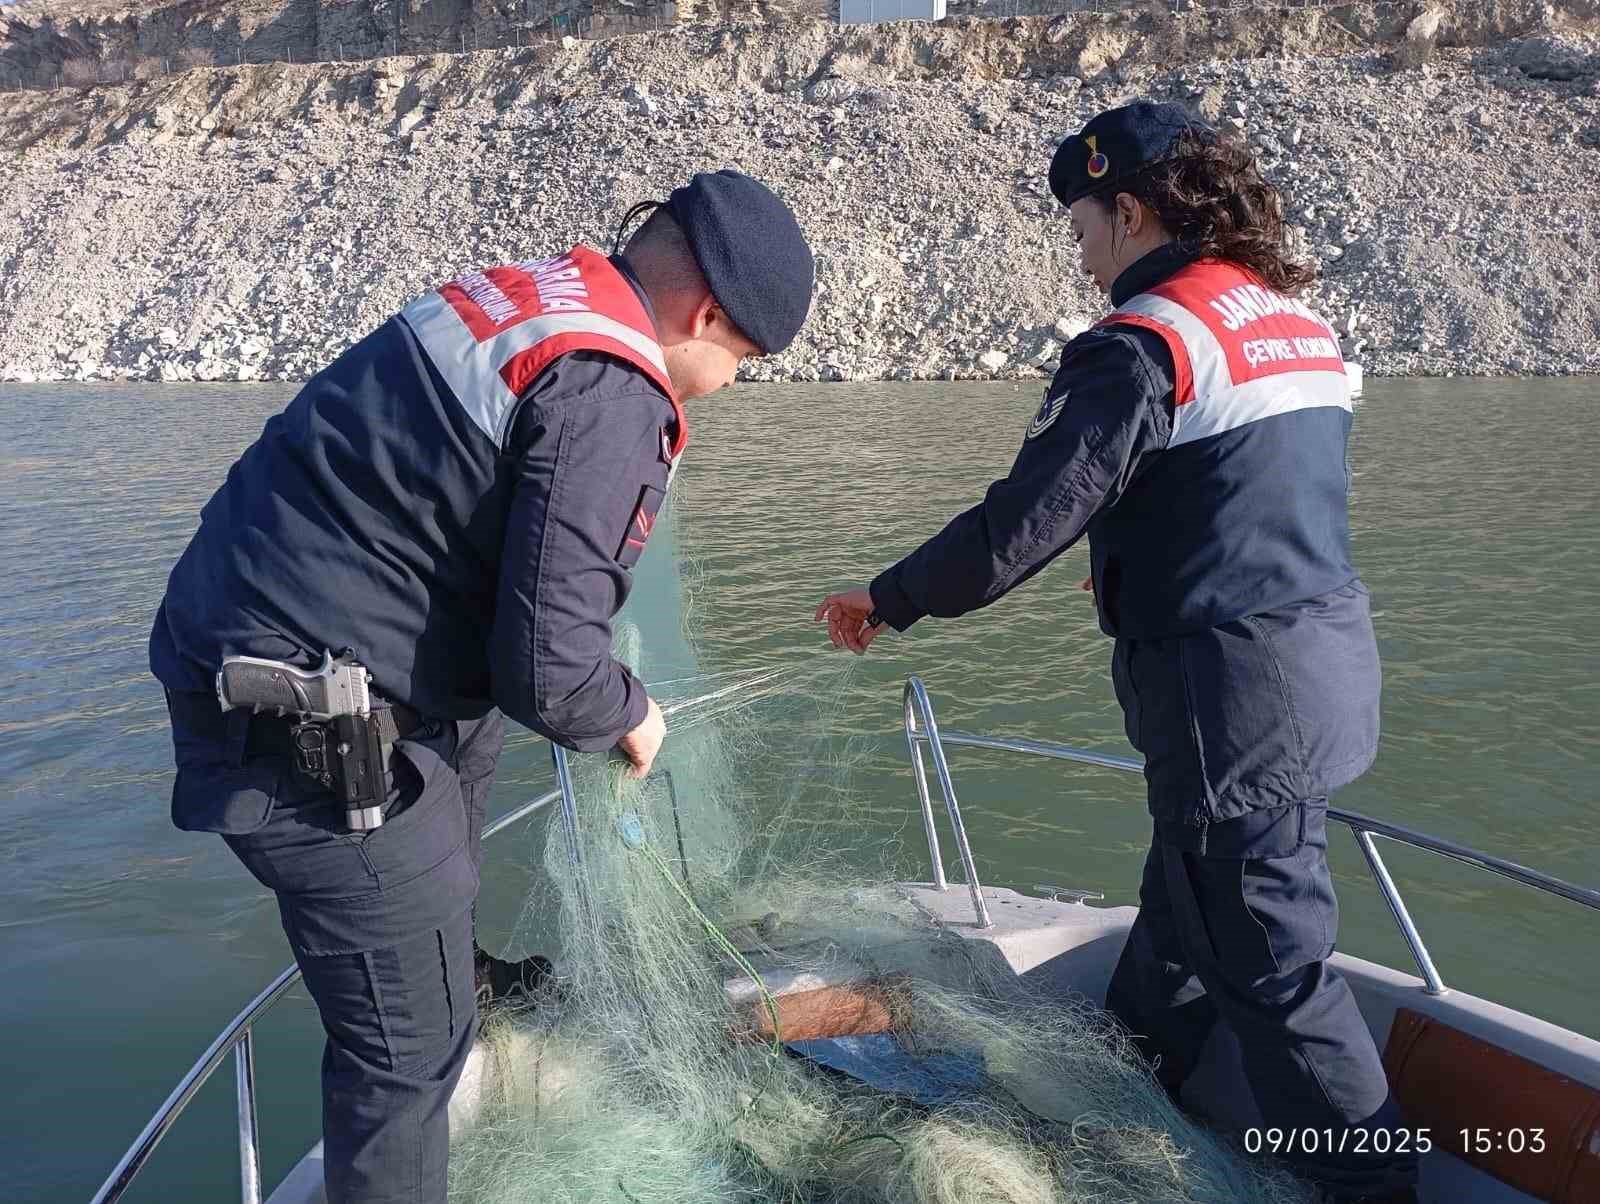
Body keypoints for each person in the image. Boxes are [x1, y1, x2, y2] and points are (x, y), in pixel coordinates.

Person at [151, 169, 814, 1204]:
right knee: (406, 1055)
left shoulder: (537, 299)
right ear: (707, 317)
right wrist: (631, 712)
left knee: (474, 736)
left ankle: (459, 969)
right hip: (306, 722)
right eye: (741, 363)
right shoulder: (611, 388)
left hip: (286, 639)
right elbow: (552, 670)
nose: (725, 385)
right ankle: (428, 1018)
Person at [814, 103, 1419, 1203]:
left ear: (1130, 211)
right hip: (1320, 665)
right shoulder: (1292, 323)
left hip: (1232, 701)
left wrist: (888, 598)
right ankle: (1123, 1100)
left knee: (1273, 969)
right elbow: (1251, 499)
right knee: (1183, 919)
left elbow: (1020, 526)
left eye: (1083, 224)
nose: (1082, 252)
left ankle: (1375, 1192)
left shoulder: (1145, 342)